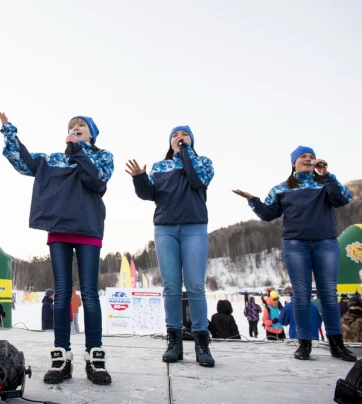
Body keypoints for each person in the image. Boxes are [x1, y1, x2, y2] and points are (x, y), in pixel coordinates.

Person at [0, 109, 114, 385]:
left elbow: (96, 181)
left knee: (89, 293)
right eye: (72, 125)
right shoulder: (53, 159)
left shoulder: (102, 156)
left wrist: (78, 151)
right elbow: (23, 162)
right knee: (61, 294)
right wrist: (9, 131)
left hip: (87, 228)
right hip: (59, 229)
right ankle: (61, 357)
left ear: (91, 134)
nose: (75, 127)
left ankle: (94, 358)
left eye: (82, 125)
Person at [233, 145, 356, 362]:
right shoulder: (282, 188)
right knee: (301, 294)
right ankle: (304, 343)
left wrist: (326, 175)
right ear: (294, 163)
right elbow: (268, 214)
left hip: (325, 243)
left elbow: (343, 199)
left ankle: (337, 344)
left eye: (312, 156)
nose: (309, 159)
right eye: (303, 157)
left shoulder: (324, 184)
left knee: (328, 293)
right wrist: (253, 199)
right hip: (295, 244)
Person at [127, 125, 215, 367]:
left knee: (195, 285)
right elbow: (149, 194)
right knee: (172, 286)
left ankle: (201, 344)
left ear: (191, 140)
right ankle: (174, 342)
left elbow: (197, 182)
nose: (179, 137)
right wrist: (139, 178)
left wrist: (185, 153)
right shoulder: (160, 166)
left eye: (184, 135)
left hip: (194, 227)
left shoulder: (203, 162)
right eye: (175, 135)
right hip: (165, 228)